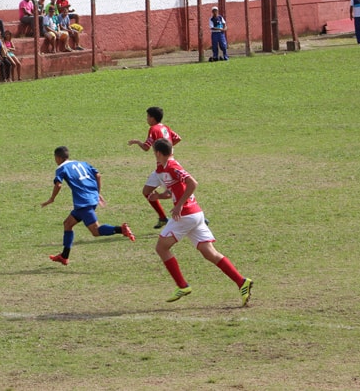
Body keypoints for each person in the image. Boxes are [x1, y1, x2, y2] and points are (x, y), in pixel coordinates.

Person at [149, 138, 252, 306]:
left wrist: (179, 206)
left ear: (159, 153)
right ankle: (242, 282)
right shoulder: (168, 168)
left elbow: (192, 183)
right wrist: (160, 196)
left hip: (187, 215)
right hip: (196, 215)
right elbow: (176, 190)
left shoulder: (173, 167)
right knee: (209, 252)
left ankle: (182, 285)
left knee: (161, 247)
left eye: (154, 153)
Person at [42, 146, 135, 265]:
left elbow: (58, 185)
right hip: (89, 199)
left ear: (58, 158)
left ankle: (121, 229)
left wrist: (51, 199)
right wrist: (97, 192)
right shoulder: (82, 163)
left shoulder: (61, 168)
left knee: (96, 231)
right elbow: (98, 175)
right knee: (68, 223)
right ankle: (64, 256)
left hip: (83, 203)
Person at [128, 106, 182, 229]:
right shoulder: (165, 128)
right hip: (161, 168)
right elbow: (177, 138)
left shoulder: (153, 129)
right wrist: (166, 150)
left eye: (147, 116)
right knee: (146, 192)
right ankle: (163, 218)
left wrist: (137, 142)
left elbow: (146, 147)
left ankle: (198, 217)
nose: (147, 119)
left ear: (152, 118)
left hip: (165, 169)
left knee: (176, 192)